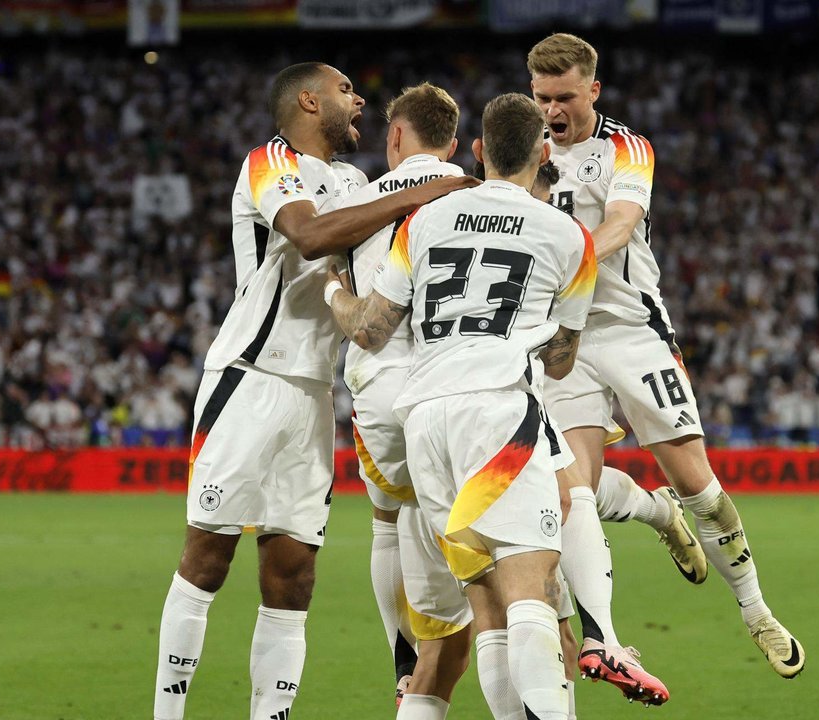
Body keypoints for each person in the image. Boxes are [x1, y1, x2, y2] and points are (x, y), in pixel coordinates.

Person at [152, 62, 476, 720]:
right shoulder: (269, 162)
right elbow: (307, 236)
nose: (360, 102)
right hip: (248, 378)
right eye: (346, 91)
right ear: (308, 100)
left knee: (294, 575)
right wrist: (421, 194)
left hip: (313, 396)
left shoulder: (357, 183)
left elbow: (367, 286)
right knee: (208, 556)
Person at [528, 32, 805, 678]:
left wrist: (570, 265)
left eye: (565, 97)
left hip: (630, 329)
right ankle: (652, 523)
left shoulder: (626, 148)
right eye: (542, 97)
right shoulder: (526, 148)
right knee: (573, 495)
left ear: (593, 90)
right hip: (564, 340)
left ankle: (756, 610)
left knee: (700, 485)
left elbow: (622, 223)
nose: (552, 111)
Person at [327, 92, 596, 720]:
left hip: (424, 422)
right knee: (530, 590)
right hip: (498, 410)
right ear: (544, 151)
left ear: (478, 150)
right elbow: (561, 361)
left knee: (488, 611)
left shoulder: (427, 219)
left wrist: (337, 293)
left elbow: (370, 329)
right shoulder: (567, 235)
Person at [336, 81, 468, 712]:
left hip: (383, 380)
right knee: (496, 539)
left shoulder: (355, 201)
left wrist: (337, 287)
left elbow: (351, 306)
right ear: (454, 142)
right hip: (461, 382)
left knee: (390, 521)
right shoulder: (478, 193)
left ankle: (404, 661)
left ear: (394, 135)